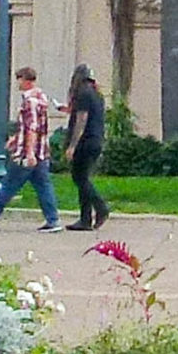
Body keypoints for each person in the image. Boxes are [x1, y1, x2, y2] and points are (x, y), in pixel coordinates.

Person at [0, 66, 60, 229]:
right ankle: (53, 220)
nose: (18, 83)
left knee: (10, 184)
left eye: (20, 79)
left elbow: (31, 127)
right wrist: (15, 138)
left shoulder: (29, 101)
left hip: (26, 153)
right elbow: (34, 127)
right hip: (42, 151)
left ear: (26, 80)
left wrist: (29, 152)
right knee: (43, 185)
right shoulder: (41, 97)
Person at [63, 64, 110, 232]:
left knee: (80, 178)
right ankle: (85, 219)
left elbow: (81, 121)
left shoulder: (82, 93)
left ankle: (101, 207)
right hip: (96, 140)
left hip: (85, 141)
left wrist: (72, 145)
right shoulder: (96, 94)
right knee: (82, 177)